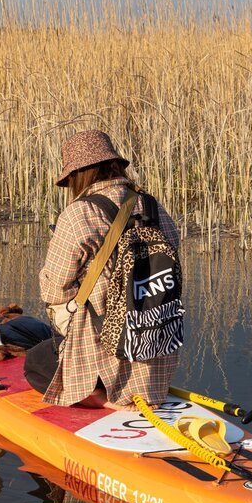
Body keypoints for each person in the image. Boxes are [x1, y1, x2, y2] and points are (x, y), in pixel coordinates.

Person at [24, 129, 181, 410]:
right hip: (153, 338)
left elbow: (54, 288)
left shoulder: (78, 213)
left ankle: (104, 399)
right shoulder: (153, 206)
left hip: (100, 344)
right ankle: (140, 387)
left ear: (77, 175)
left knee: (35, 363)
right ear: (115, 165)